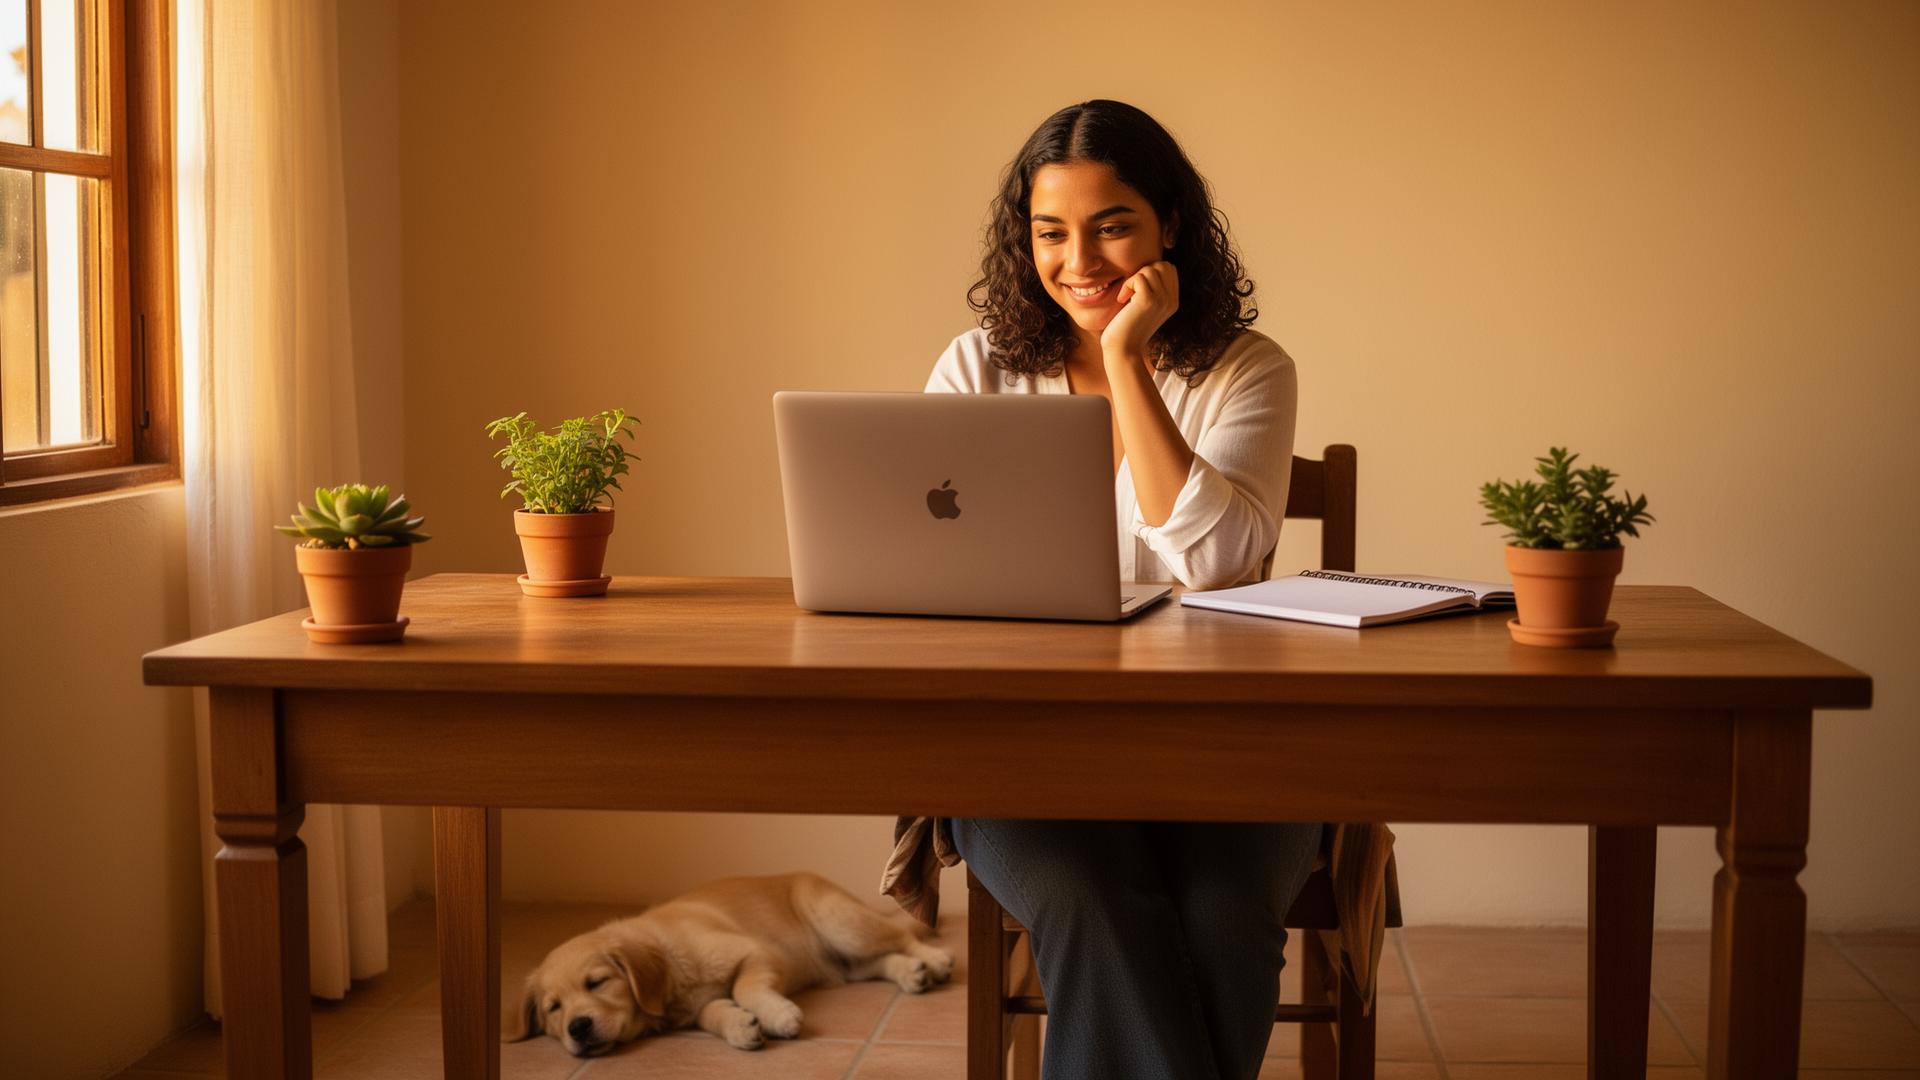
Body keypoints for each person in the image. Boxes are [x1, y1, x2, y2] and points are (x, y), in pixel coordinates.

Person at [884, 100, 1323, 1080]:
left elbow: (1217, 562)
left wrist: (1126, 359)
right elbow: (930, 571)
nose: (1079, 260)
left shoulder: (1247, 371)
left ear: (1171, 226)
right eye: (1050, 232)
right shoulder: (977, 368)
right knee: (1093, 902)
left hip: (1226, 737)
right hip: (1024, 739)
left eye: (1111, 226)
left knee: (1224, 914)